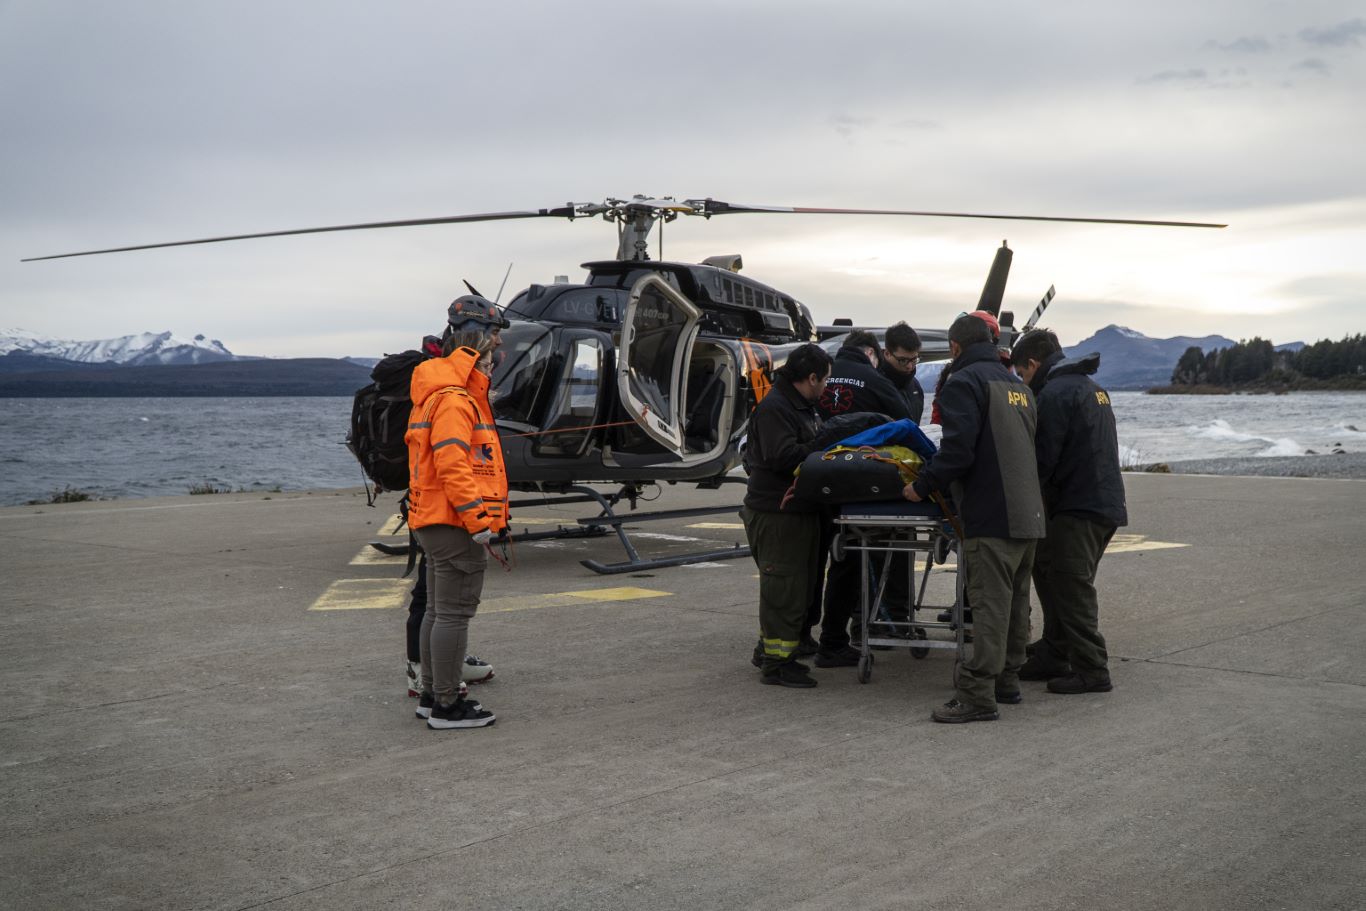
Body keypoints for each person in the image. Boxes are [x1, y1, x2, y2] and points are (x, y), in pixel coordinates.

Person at [905, 313, 1045, 723]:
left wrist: (924, 483)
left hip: (991, 514)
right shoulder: (1017, 386)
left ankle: (976, 694)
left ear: (954, 348)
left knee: (988, 608)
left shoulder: (964, 383)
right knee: (1017, 605)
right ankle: (1008, 682)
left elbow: (958, 451)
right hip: (1029, 512)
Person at [406, 295, 510, 729]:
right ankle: (448, 706)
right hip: (453, 522)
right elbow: (453, 464)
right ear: (477, 346)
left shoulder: (437, 392)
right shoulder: (454, 399)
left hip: (433, 518)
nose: (497, 356)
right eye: (493, 346)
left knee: (436, 610)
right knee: (453, 614)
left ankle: (432, 694)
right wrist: (479, 522)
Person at [1010, 330, 1128, 694]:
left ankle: (1092, 668)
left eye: (1022, 375)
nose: (1023, 383)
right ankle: (1055, 651)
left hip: (1078, 506)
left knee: (1070, 583)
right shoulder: (1091, 387)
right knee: (1052, 572)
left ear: (1033, 364)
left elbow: (1044, 457)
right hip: (1101, 502)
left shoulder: (1056, 394)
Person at [807, 330, 912, 668]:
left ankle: (801, 634)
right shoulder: (875, 378)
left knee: (812, 562)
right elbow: (906, 422)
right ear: (871, 352)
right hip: (857, 485)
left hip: (815, 479)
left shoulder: (821, 374)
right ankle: (839, 636)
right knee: (851, 562)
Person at [741, 342, 833, 688]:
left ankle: (772, 649)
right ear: (811, 378)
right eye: (824, 381)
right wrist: (824, 446)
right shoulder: (776, 409)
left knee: (798, 588)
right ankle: (777, 664)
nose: (825, 388)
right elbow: (784, 457)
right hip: (778, 513)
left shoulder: (800, 407)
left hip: (798, 511)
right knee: (784, 588)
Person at [878, 322, 925, 425]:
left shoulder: (916, 387)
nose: (909, 366)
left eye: (914, 359)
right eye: (903, 360)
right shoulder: (874, 385)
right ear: (887, 354)